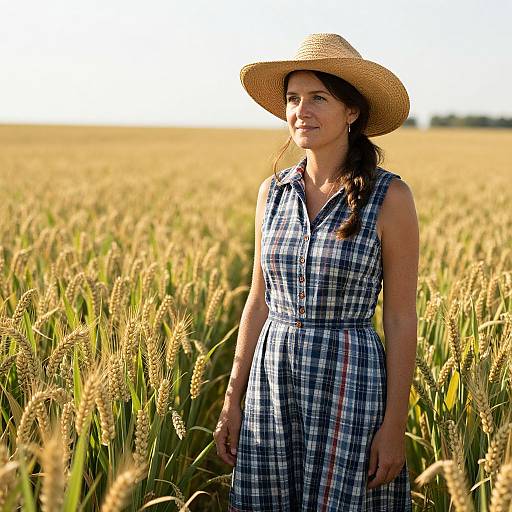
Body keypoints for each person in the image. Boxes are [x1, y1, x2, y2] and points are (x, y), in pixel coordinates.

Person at [213, 33, 419, 511]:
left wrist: (394, 426)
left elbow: (401, 318)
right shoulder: (273, 192)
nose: (301, 110)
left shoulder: (390, 199)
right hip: (273, 379)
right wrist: (232, 397)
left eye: (318, 98)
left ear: (352, 112)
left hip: (350, 384)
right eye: (293, 98)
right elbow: (259, 299)